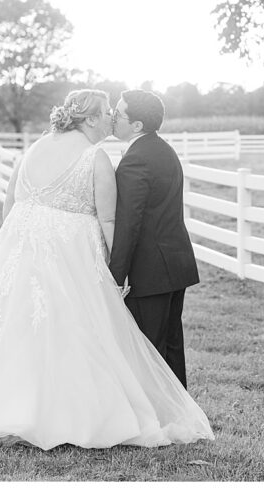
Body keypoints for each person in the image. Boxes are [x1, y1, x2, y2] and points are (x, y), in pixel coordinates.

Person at [0, 90, 213, 450]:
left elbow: (10, 206)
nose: (112, 117)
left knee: (8, 330)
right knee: (73, 330)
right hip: (74, 258)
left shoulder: (31, 150)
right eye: (108, 112)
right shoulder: (95, 159)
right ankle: (71, 410)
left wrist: (14, 252)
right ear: (91, 119)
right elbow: (109, 218)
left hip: (23, 254)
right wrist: (112, 270)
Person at [109, 90, 199, 388]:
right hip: (174, 264)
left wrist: (115, 275)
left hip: (150, 270)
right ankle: (179, 413)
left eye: (118, 114)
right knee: (170, 344)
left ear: (136, 125)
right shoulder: (162, 149)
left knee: (148, 348)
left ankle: (155, 421)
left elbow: (129, 223)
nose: (112, 118)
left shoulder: (136, 160)